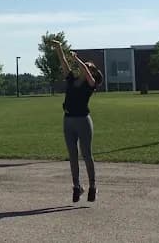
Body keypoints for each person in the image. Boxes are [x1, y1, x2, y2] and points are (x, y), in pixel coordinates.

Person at [51, 40, 103, 203]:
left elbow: (86, 72)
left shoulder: (91, 84)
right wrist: (58, 48)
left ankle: (92, 186)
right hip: (68, 120)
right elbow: (64, 63)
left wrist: (77, 60)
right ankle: (76, 187)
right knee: (73, 156)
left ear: (92, 73)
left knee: (86, 154)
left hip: (83, 121)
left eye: (89, 67)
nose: (85, 67)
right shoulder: (72, 80)